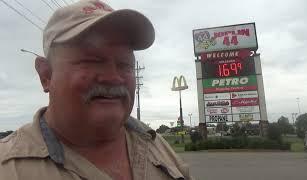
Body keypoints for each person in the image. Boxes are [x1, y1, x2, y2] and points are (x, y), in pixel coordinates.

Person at [0, 0, 193, 179]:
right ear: (46, 76)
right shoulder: (8, 168)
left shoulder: (154, 143)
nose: (113, 78)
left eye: (125, 64)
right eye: (91, 61)